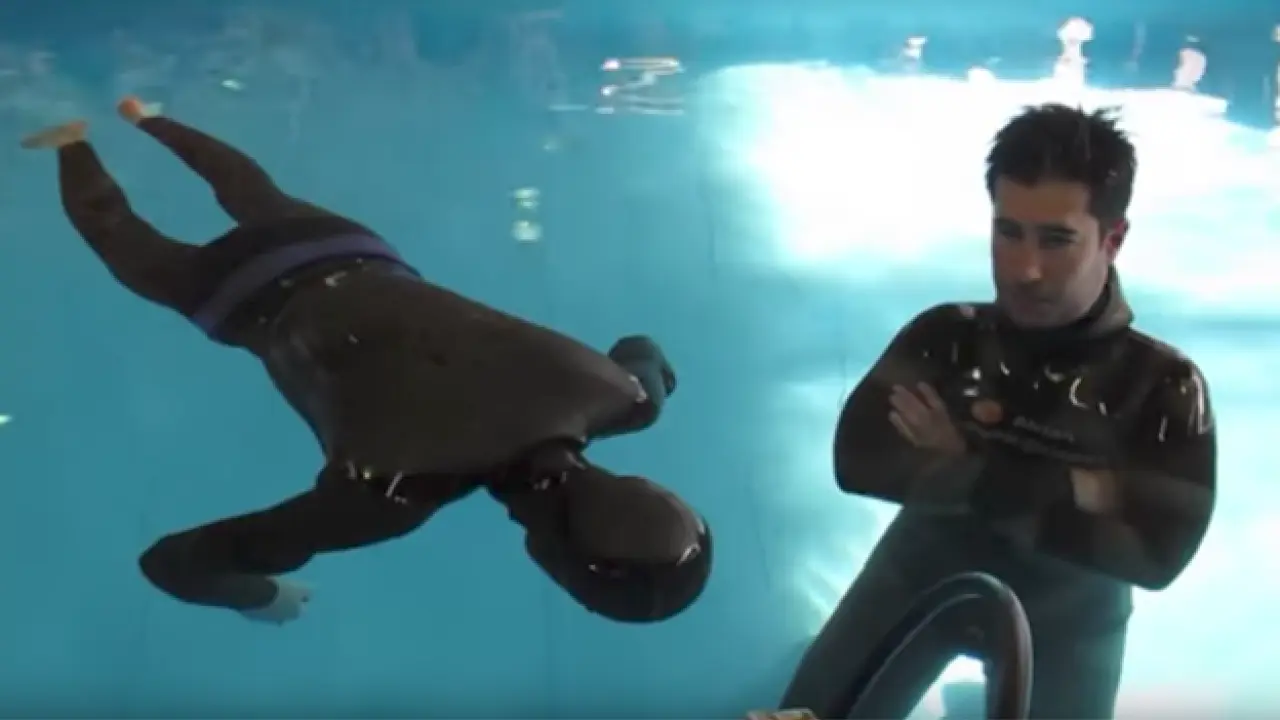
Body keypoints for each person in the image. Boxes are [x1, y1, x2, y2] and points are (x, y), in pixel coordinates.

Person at [21, 96, 711, 626]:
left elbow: (643, 347)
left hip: (346, 247)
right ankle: (69, 141)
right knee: (125, 242)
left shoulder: (623, 395)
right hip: (247, 298)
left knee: (253, 193)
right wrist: (261, 597)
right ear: (548, 558)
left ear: (649, 483)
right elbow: (171, 564)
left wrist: (657, 377)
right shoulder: (389, 495)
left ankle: (149, 118)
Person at [779, 104, 1216, 719]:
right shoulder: (945, 338)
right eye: (1008, 232)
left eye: (1056, 240)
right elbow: (858, 460)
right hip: (919, 576)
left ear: (1112, 239)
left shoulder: (1161, 386)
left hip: (1069, 622)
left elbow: (1158, 553)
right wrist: (1079, 487)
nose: (1023, 269)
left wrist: (964, 466)